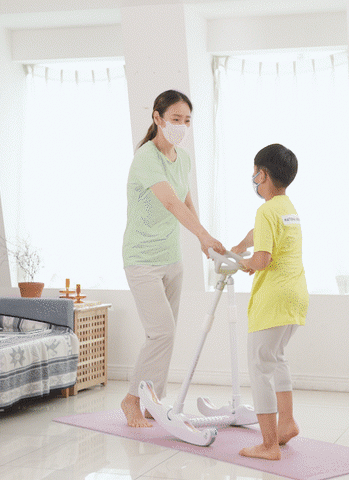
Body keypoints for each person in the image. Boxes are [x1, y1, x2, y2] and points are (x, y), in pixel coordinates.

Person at [121, 90, 225, 428]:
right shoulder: (146, 158)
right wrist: (203, 235)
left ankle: (152, 401)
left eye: (187, 120)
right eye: (175, 119)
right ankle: (132, 400)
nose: (181, 126)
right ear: (157, 118)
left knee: (166, 335)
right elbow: (169, 202)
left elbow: (186, 200)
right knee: (161, 333)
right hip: (142, 259)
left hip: (171, 257)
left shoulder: (184, 158)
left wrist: (202, 239)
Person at [231, 143, 309, 460]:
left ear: (262, 174)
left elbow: (262, 259)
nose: (253, 178)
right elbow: (262, 235)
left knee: (260, 368)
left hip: (273, 299)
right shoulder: (287, 208)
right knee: (276, 359)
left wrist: (244, 263)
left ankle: (268, 444)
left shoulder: (265, 210)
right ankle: (287, 424)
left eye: (254, 173)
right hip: (296, 295)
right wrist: (242, 245)